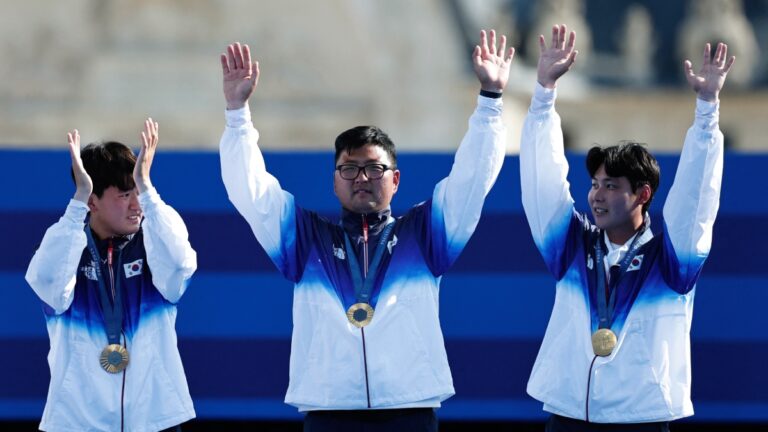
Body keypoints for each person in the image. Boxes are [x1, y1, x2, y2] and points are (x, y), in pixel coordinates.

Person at [218, 30, 513, 431]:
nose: (362, 178)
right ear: (334, 180)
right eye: (349, 169)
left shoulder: (424, 234)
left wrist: (490, 103)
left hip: (409, 408)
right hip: (329, 411)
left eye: (374, 168)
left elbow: (472, 179)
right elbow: (249, 191)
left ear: (395, 180)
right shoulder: (306, 239)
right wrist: (237, 116)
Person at [520, 24, 735, 430]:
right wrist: (544, 96)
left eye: (612, 187)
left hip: (642, 418)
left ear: (642, 194)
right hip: (567, 416)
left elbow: (697, 198)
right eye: (595, 185)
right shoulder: (570, 245)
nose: (597, 196)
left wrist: (708, 109)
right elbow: (540, 183)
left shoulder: (673, 258)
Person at [26, 119, 197, 431]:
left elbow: (180, 266)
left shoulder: (154, 243)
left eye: (137, 193)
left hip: (155, 419)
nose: (137, 206)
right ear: (93, 201)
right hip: (78, 421)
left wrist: (147, 188)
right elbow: (46, 282)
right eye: (124, 195)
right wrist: (77, 201)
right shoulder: (67, 247)